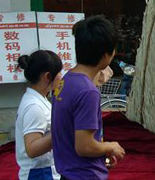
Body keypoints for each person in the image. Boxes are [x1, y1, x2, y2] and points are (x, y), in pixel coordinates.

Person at [52, 15, 125, 180]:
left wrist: (100, 157)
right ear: (106, 54)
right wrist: (109, 146)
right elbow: (84, 146)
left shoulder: (67, 80)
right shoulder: (88, 92)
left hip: (69, 172)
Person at [15, 50, 63, 180]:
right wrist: (63, 131)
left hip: (43, 170)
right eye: (59, 72)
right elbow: (32, 149)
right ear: (48, 76)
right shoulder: (34, 107)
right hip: (40, 173)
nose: (61, 76)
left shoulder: (37, 100)